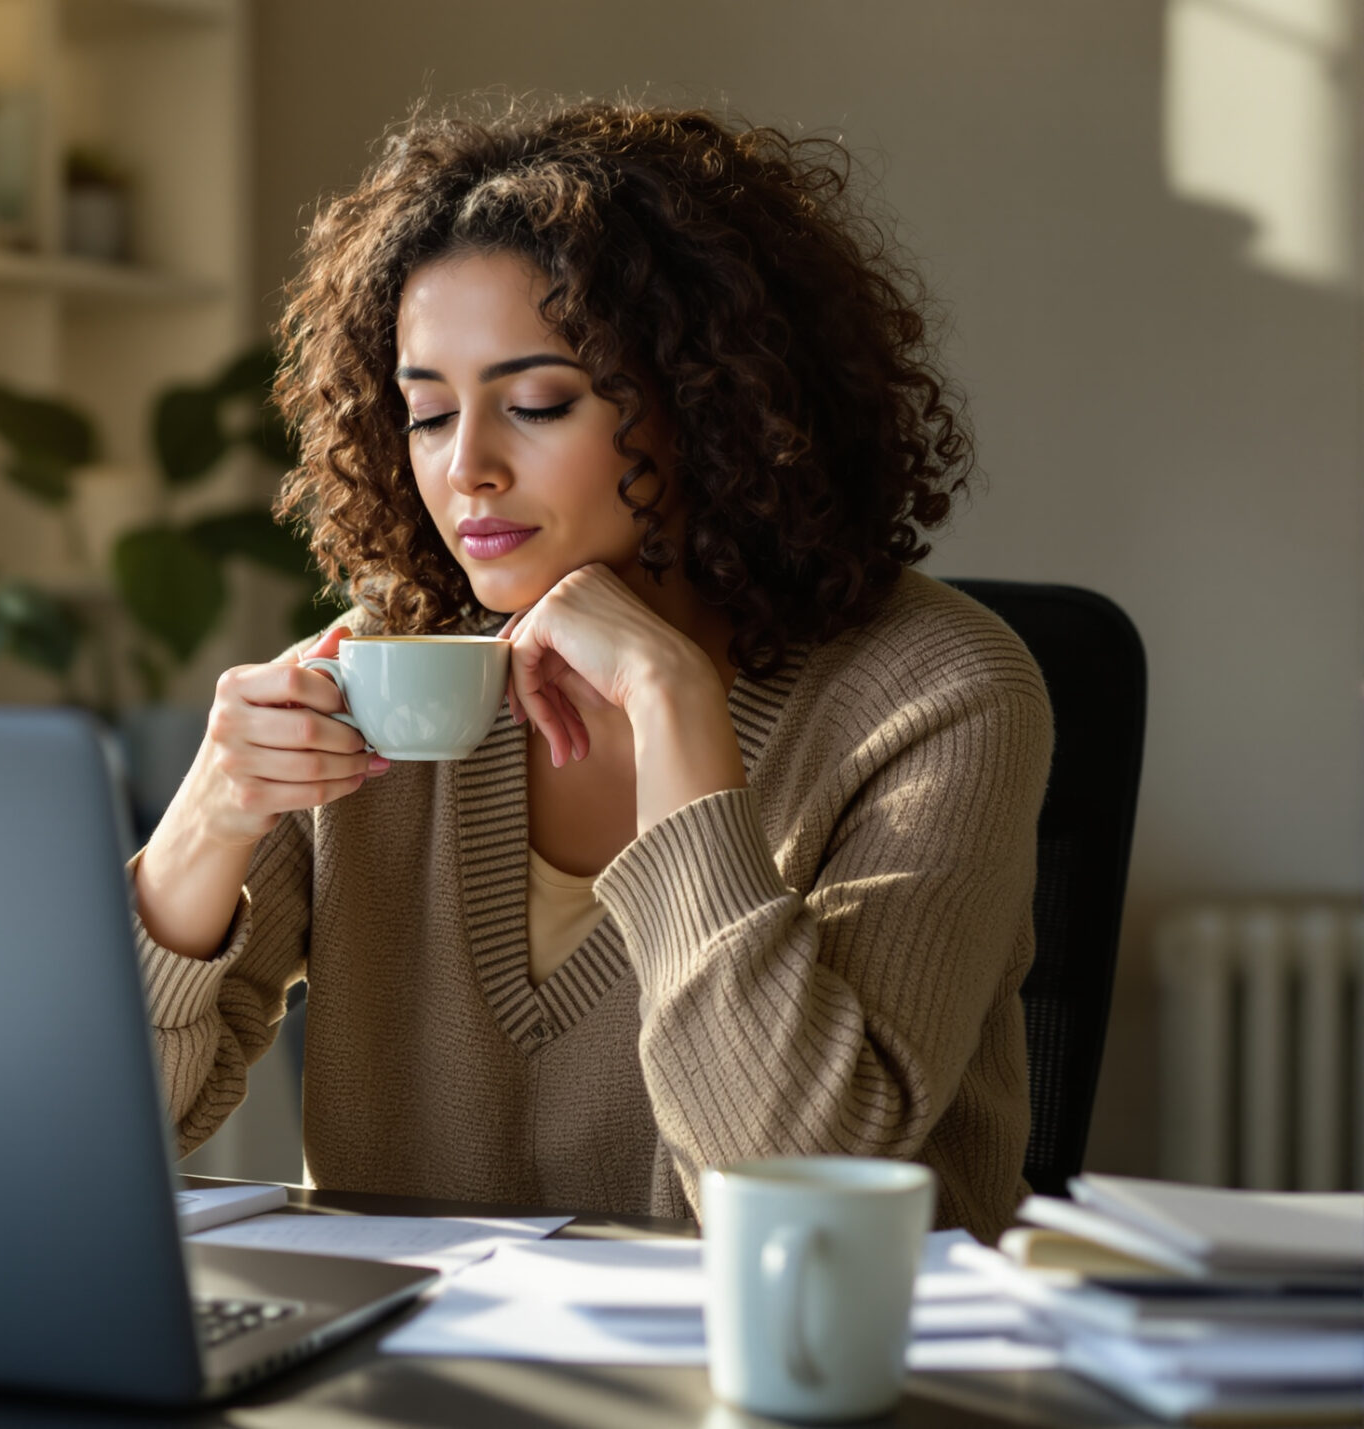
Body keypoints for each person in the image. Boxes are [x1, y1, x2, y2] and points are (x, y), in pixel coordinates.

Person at [130, 100, 1050, 1239]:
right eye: (424, 415)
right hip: (425, 1380)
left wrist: (675, 709)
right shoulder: (388, 676)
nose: (465, 467)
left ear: (714, 401)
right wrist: (206, 824)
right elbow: (80, 1139)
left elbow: (792, 1189)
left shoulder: (935, 690)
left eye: (535, 404)